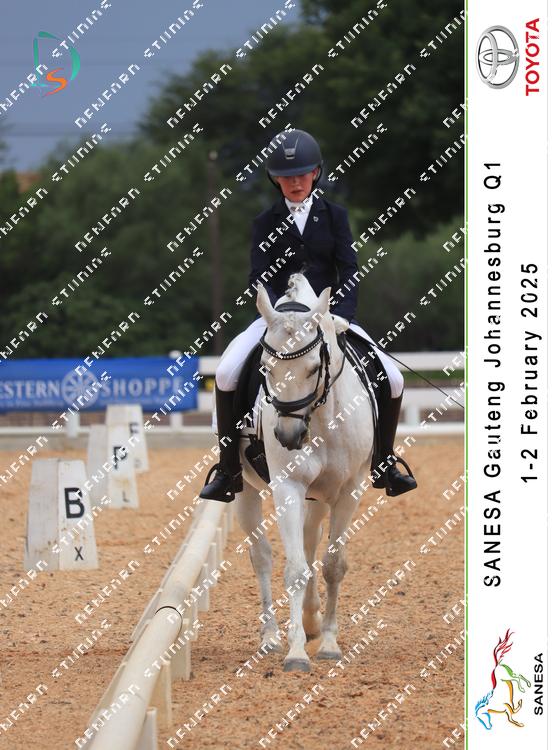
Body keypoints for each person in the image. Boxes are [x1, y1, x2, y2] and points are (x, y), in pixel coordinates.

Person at [200, 128, 417, 503]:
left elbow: (349, 270)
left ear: (315, 173)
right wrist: (275, 314)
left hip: (327, 316)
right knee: (226, 373)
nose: (295, 182)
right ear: (275, 179)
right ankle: (228, 469)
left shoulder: (335, 216)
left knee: (393, 378)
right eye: (287, 177)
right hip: (277, 320)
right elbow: (258, 277)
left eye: (301, 174)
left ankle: (384, 462)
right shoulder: (265, 222)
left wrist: (342, 315)